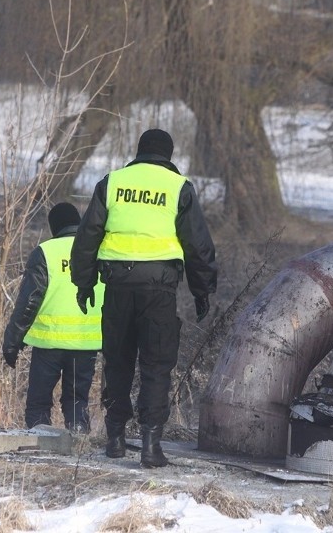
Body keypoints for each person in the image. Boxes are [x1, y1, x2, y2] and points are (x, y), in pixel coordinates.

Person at [70, 128, 217, 468]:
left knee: (117, 361)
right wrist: (202, 290)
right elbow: (198, 245)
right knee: (156, 365)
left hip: (117, 287)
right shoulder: (179, 188)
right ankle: (151, 444)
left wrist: (84, 282)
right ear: (169, 155)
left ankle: (116, 438)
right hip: (159, 291)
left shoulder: (113, 183)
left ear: (139, 152)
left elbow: (87, 235)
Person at [2, 203, 104, 433]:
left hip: (49, 343)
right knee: (77, 401)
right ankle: (78, 445)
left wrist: (12, 342)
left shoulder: (46, 252)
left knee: (38, 402)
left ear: (54, 227)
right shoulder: (97, 251)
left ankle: (41, 445)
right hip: (85, 341)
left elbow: (28, 302)